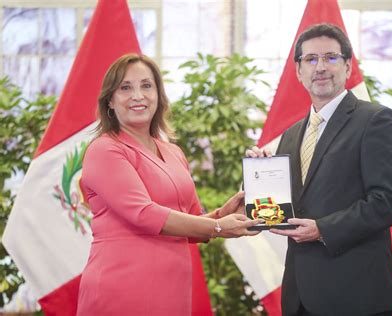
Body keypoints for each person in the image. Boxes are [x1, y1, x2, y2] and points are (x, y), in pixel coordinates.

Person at [77, 53, 260, 315]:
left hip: (173, 289)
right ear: (110, 102)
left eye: (146, 86)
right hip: (122, 288)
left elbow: (189, 223)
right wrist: (218, 226)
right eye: (125, 88)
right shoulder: (104, 150)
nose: (138, 95)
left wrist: (223, 213)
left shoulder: (173, 152)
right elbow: (144, 214)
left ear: (159, 96)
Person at [247, 23, 392, 316]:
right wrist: (263, 178)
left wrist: (323, 229)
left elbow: (389, 202)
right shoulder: (292, 134)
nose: (320, 67)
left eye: (330, 57)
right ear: (298, 72)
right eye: (310, 59)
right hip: (300, 296)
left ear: (347, 66)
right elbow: (288, 207)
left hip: (357, 295)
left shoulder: (376, 121)